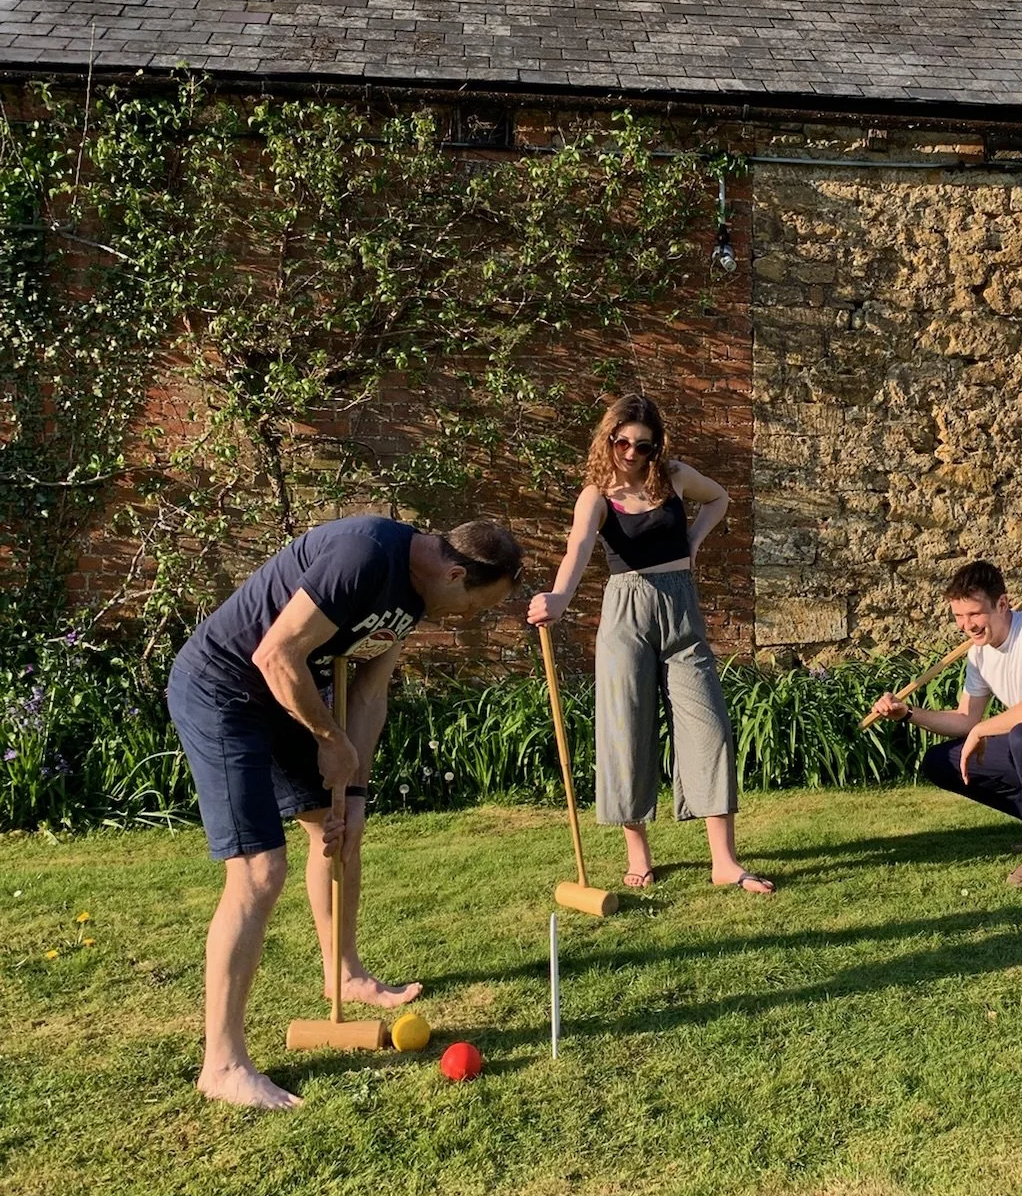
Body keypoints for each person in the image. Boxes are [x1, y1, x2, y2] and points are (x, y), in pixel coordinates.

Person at [168, 515, 524, 1110]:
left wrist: (352, 792)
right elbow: (275, 652)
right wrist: (331, 743)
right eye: (473, 606)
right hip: (225, 690)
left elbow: (367, 694)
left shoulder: (415, 597)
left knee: (339, 836)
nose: (467, 619)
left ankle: (346, 975)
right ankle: (222, 1064)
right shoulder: (364, 557)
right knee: (259, 872)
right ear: (455, 572)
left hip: (290, 696)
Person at [528, 393, 771, 894]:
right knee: (626, 728)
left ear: (657, 444)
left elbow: (720, 497)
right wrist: (558, 597)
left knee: (710, 728)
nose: (632, 452)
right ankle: (638, 854)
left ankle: (724, 862)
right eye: (622, 442)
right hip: (625, 613)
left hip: (682, 610)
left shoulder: (676, 476)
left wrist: (695, 541)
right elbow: (577, 549)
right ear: (609, 440)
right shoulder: (597, 493)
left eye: (644, 444)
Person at [871, 560, 1022, 887]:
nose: (967, 626)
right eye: (959, 617)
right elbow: (965, 719)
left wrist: (982, 729)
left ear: (1002, 604)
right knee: (942, 762)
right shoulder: (979, 654)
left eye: (974, 614)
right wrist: (907, 713)